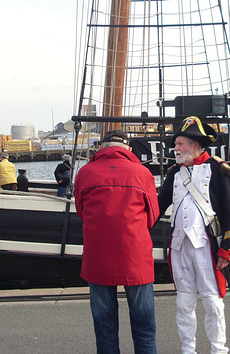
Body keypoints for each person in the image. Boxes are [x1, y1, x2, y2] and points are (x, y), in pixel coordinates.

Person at [158, 116, 230, 354]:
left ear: (195, 144)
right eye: (176, 144)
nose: (176, 148)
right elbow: (158, 206)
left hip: (207, 246)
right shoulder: (175, 174)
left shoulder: (218, 170)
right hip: (180, 246)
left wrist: (227, 249)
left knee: (213, 303)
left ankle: (218, 350)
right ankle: (188, 350)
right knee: (184, 303)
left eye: (181, 144)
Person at [74, 129, 160, 354]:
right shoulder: (142, 173)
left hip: (98, 258)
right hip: (135, 258)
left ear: (101, 148)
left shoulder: (85, 173)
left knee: (105, 329)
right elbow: (153, 216)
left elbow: (81, 211)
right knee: (144, 329)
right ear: (129, 149)